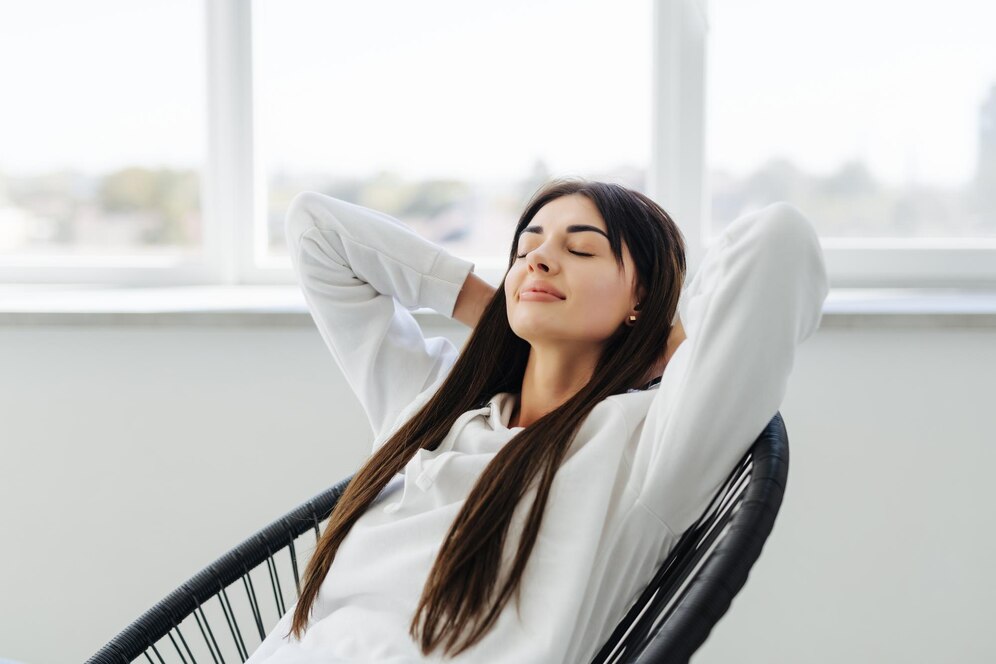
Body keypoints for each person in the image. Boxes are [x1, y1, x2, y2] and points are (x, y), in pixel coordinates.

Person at [245, 178, 829, 663]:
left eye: (580, 250)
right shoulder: (434, 406)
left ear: (641, 300)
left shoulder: (645, 446)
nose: (540, 260)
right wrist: (492, 309)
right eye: (524, 251)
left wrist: (667, 339)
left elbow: (779, 243)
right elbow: (314, 228)